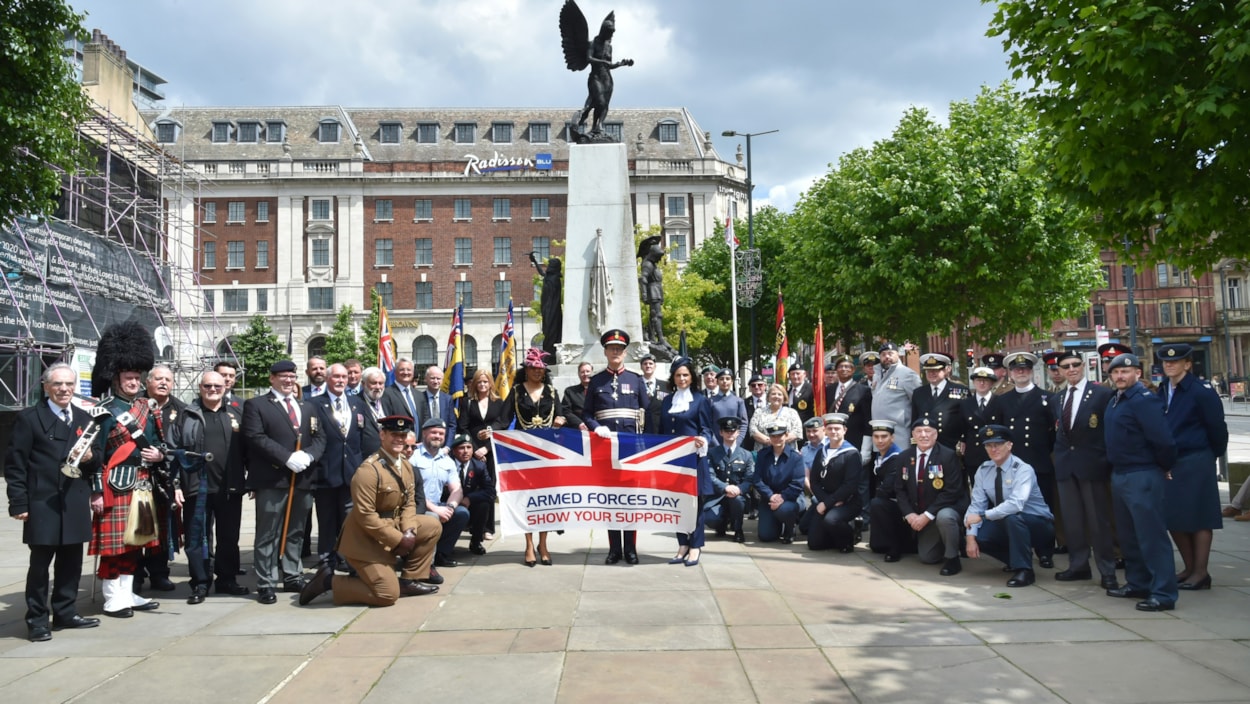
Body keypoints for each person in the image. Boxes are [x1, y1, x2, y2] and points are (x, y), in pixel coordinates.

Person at [298, 416, 441, 607]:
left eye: (403, 435)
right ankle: (328, 581)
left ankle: (409, 580)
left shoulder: (405, 466)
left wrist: (409, 531)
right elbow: (366, 516)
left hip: (391, 527)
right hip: (365, 540)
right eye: (394, 435)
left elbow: (408, 504)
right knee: (387, 595)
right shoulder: (368, 471)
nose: (399, 439)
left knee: (431, 525)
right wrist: (398, 540)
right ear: (382, 435)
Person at [6, 363, 102, 641]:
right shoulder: (30, 418)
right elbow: (15, 465)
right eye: (58, 384)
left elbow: (96, 457)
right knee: (40, 566)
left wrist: (89, 458)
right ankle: (37, 619)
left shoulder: (84, 418)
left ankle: (65, 611)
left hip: (73, 500)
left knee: (71, 563)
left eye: (69, 384)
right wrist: (19, 503)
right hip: (42, 501)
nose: (64, 389)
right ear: (46, 387)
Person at [88, 321, 168, 618]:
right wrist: (96, 491)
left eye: (137, 377)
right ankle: (112, 596)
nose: (133, 382)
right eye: (128, 377)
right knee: (114, 544)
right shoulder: (105, 411)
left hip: (143, 481)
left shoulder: (148, 408)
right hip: (114, 483)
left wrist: (159, 454)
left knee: (136, 541)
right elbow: (95, 455)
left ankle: (128, 592)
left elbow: (161, 443)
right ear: (116, 377)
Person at [241, 359, 326, 604]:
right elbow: (255, 436)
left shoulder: (307, 406)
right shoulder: (256, 405)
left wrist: (309, 456)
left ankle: (292, 574)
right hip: (273, 478)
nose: (288, 380)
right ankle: (266, 581)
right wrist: (286, 457)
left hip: (302, 478)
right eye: (283, 376)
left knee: (296, 530)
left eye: (292, 376)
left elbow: (320, 437)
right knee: (268, 532)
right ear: (272, 378)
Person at [1103, 353, 1179, 612]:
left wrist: (1163, 466)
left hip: (1142, 473)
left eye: (1125, 372)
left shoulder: (1144, 400)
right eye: (1115, 373)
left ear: (1137, 373)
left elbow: (1163, 440)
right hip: (1120, 473)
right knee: (1129, 536)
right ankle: (1138, 583)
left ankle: (1163, 593)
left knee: (1151, 536)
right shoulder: (1116, 399)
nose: (1120, 376)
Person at [1155, 343, 1228, 591]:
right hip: (1172, 460)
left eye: (1175, 362)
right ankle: (1188, 567)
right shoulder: (1164, 388)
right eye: (1166, 362)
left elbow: (1217, 428)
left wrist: (1211, 455)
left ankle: (1201, 572)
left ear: (1188, 364)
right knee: (1174, 516)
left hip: (1196, 457)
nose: (1169, 365)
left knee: (1199, 516)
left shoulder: (1201, 391)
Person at [1051, 350, 1119, 589]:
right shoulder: (1058, 398)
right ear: (1059, 371)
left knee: (1098, 522)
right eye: (1065, 366)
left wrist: (1105, 461)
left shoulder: (1102, 394)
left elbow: (1110, 432)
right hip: (1066, 467)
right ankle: (1078, 565)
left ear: (1083, 366)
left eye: (1075, 364)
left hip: (1092, 466)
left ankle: (1107, 571)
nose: (1071, 369)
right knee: (1073, 521)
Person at [582, 329, 651, 563]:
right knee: (611, 501)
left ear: (624, 352)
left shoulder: (635, 379)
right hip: (605, 449)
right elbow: (586, 413)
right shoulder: (596, 381)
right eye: (612, 348)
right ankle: (614, 549)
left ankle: (631, 549)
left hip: (630, 450)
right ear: (605, 351)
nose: (615, 352)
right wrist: (594, 427)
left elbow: (648, 412)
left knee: (630, 501)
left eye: (619, 349)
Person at [869, 418, 968, 574]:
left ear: (936, 435)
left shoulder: (948, 456)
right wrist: (909, 514)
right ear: (913, 435)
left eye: (928, 431)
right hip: (917, 512)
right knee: (927, 558)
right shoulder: (904, 457)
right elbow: (899, 489)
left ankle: (952, 558)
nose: (923, 435)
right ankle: (932, 540)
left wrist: (927, 516)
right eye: (919, 431)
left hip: (938, 512)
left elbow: (952, 491)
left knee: (946, 516)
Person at [990, 352, 1060, 567]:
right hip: (1013, 465)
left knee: (1042, 510)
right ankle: (1018, 553)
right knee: (1013, 510)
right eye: (1016, 369)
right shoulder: (1002, 401)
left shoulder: (1047, 398)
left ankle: (1045, 551)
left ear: (1031, 371)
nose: (1021, 372)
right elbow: (1000, 433)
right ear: (1010, 373)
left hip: (1039, 462)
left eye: (1025, 368)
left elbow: (1053, 434)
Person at [964, 425, 1056, 587]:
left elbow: (1016, 504)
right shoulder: (984, 470)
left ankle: (1025, 571)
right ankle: (1014, 560)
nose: (993, 449)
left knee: (1012, 518)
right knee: (980, 535)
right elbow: (976, 505)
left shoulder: (1023, 469)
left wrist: (984, 516)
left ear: (1009, 445)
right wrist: (970, 537)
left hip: (1038, 525)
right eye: (989, 445)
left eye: (998, 444)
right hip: (1008, 522)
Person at [309, 363, 379, 572]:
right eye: (336, 377)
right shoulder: (314, 404)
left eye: (344, 377)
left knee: (349, 520)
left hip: (351, 472)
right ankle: (326, 560)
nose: (340, 380)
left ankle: (346, 557)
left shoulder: (357, 403)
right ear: (328, 379)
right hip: (326, 472)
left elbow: (362, 436)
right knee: (327, 520)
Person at [188, 370, 250, 597]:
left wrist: (250, 479)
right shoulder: (189, 414)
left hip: (230, 487)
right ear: (200, 388)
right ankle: (200, 582)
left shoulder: (237, 412)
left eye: (217, 386)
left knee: (229, 538)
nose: (212, 390)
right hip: (198, 487)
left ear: (225, 387)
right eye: (207, 386)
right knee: (198, 538)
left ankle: (227, 579)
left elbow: (248, 448)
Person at [505, 347, 566, 565]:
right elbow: (503, 420)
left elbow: (561, 414)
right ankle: (529, 544)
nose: (537, 372)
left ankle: (544, 543)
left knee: (546, 501)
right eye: (533, 368)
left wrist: (561, 419)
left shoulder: (551, 391)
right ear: (526, 370)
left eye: (541, 369)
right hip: (524, 454)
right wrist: (491, 433)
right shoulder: (516, 392)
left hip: (548, 453)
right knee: (527, 501)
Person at [658, 356, 714, 566]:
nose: (682, 379)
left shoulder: (700, 400)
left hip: (693, 459)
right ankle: (682, 543)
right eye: (678, 375)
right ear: (672, 378)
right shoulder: (666, 401)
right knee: (676, 504)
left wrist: (703, 440)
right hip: (672, 461)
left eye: (685, 375)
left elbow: (707, 428)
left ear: (692, 377)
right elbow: (662, 431)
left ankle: (696, 545)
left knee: (695, 504)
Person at [135, 363, 182, 594]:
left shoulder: (181, 410)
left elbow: (183, 445)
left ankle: (159, 573)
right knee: (137, 526)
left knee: (162, 529)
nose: (164, 383)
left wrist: (162, 455)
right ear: (148, 382)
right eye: (158, 379)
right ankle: (134, 574)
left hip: (166, 478)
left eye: (168, 380)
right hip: (136, 476)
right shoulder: (135, 406)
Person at [807, 413, 863, 553]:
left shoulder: (852, 454)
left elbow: (850, 485)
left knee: (831, 520)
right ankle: (836, 536)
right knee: (814, 544)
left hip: (847, 502)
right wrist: (826, 502)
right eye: (830, 428)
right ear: (825, 430)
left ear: (844, 430)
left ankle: (850, 537)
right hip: (826, 500)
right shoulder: (822, 452)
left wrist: (827, 503)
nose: (833, 432)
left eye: (837, 428)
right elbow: (814, 481)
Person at [751, 424, 806, 543]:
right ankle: (777, 525)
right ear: (769, 437)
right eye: (773, 436)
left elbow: (798, 483)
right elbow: (757, 479)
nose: (776, 439)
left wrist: (782, 497)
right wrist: (771, 496)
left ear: (786, 436)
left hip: (791, 498)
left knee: (784, 510)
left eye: (780, 435)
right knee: (766, 536)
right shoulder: (763, 455)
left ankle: (790, 528)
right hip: (769, 498)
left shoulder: (795, 457)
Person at [704, 417, 754, 543]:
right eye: (727, 431)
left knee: (737, 500)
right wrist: (725, 487)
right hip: (718, 497)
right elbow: (709, 475)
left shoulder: (746, 455)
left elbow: (750, 478)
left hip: (738, 496)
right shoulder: (712, 453)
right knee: (710, 518)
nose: (730, 433)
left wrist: (739, 489)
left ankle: (738, 529)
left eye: (733, 431)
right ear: (721, 433)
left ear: (738, 432)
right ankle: (721, 524)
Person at [457, 368, 510, 480]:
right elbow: (463, 427)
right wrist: (475, 450)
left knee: (492, 484)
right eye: (479, 382)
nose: (482, 384)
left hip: (492, 450)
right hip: (473, 451)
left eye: (485, 382)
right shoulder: (468, 402)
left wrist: (486, 448)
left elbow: (502, 426)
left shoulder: (499, 402)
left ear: (490, 383)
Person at [909, 353, 968, 451]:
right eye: (928, 370)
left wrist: (964, 439)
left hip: (950, 444)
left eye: (936, 370)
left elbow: (966, 419)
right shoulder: (919, 393)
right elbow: (914, 421)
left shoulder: (961, 391)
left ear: (946, 370)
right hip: (925, 444)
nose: (931, 373)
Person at [449, 433, 494, 556]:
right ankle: (446, 544)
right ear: (453, 450)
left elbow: (490, 490)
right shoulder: (447, 465)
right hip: (448, 503)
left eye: (469, 448)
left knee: (484, 504)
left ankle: (476, 542)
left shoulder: (479, 466)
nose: (465, 451)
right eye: (461, 448)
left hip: (470, 504)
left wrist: (469, 498)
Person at [865, 419, 904, 555]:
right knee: (876, 547)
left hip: (898, 503)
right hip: (884, 500)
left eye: (884, 436)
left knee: (877, 503)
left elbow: (887, 488)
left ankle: (895, 546)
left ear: (892, 438)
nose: (879, 440)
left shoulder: (897, 456)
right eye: (876, 437)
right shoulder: (879, 456)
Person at [825, 354, 873, 459]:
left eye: (848, 367)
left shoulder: (863, 390)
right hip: (832, 441)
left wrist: (865, 450)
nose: (844, 369)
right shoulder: (828, 390)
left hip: (854, 442)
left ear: (853, 370)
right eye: (841, 366)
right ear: (836, 370)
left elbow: (867, 422)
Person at [959, 366, 999, 480]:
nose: (982, 383)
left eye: (985, 380)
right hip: (973, 453)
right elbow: (963, 427)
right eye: (978, 380)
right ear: (974, 382)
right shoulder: (966, 403)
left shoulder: (1000, 402)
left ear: (992, 383)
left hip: (994, 452)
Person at [870, 342, 921, 432]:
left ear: (897, 354)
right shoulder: (876, 375)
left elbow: (919, 404)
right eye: (883, 354)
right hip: (879, 432)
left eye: (890, 353)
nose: (887, 357)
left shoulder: (908, 375)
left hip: (900, 433)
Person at [748, 383, 802, 449]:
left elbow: (797, 432)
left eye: (779, 394)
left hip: (788, 453)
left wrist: (777, 441)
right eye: (773, 394)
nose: (776, 396)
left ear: (784, 397)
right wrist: (770, 441)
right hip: (764, 453)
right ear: (768, 397)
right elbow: (753, 431)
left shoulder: (792, 412)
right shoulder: (759, 412)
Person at [530, 252, 563, 356]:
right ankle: (549, 353)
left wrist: (547, 309)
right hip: (546, 309)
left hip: (551, 310)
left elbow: (553, 298)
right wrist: (535, 261)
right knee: (547, 332)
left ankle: (551, 354)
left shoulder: (554, 280)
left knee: (550, 332)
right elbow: (542, 273)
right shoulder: (550, 277)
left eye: (549, 265)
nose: (548, 267)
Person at [709, 368, 748, 447]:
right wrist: (716, 445)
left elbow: (743, 424)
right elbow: (708, 425)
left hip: (735, 446)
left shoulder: (738, 401)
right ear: (717, 381)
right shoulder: (710, 401)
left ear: (732, 381)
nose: (725, 381)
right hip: (715, 446)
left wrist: (736, 443)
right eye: (721, 379)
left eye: (727, 379)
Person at [416, 365, 457, 430]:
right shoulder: (418, 398)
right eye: (432, 378)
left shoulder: (448, 399)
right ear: (426, 379)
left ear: (442, 380)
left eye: (438, 378)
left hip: (444, 438)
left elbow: (452, 425)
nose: (435, 381)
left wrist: (448, 440)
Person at [563, 361, 594, 430]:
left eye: (588, 371)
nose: (585, 374)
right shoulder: (570, 391)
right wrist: (579, 423)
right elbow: (566, 411)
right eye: (582, 372)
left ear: (592, 373)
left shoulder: (598, 390)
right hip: (577, 429)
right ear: (578, 374)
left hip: (597, 429)